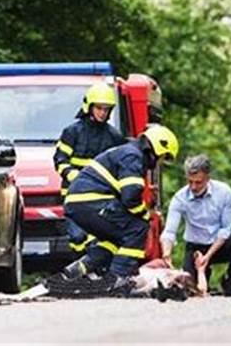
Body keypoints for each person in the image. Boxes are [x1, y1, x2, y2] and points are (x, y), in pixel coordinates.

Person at [61, 124, 179, 290]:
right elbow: (130, 196)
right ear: (157, 149)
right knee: (138, 227)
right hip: (91, 200)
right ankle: (119, 278)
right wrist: (145, 214)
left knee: (116, 238)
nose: (159, 162)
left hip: (81, 203)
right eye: (162, 157)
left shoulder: (127, 152)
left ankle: (82, 267)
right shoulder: (133, 157)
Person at [160, 154, 231, 296]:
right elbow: (170, 231)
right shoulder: (180, 198)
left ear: (208, 178)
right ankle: (204, 275)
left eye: (198, 182)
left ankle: (229, 280)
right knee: (190, 289)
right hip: (195, 247)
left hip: (219, 245)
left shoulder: (224, 192)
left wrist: (207, 257)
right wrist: (167, 253)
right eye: (190, 182)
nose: (193, 187)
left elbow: (226, 229)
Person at [53, 82, 125, 254]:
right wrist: (73, 176)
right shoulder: (72, 132)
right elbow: (60, 159)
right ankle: (80, 269)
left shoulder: (114, 136)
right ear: (89, 107)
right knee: (77, 237)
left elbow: (119, 167)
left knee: (98, 239)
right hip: (73, 194)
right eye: (99, 108)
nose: (102, 113)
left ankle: (94, 273)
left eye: (106, 109)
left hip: (101, 197)